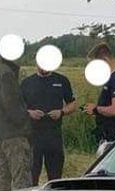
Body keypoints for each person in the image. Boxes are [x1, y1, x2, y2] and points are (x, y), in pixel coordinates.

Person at [20, 55, 75, 183]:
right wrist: (30, 113)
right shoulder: (27, 83)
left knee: (55, 178)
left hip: (54, 136)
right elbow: (17, 107)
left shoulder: (61, 80)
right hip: (33, 137)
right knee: (31, 177)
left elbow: (73, 104)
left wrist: (61, 112)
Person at [0, 43, 33, 191]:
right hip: (14, 134)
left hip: (0, 132)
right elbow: (11, 104)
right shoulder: (6, 73)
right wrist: (27, 117)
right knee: (21, 177)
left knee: (3, 176)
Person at [84, 41, 115, 149]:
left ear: (105, 60)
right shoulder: (111, 78)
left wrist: (96, 109)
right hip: (106, 132)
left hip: (114, 134)